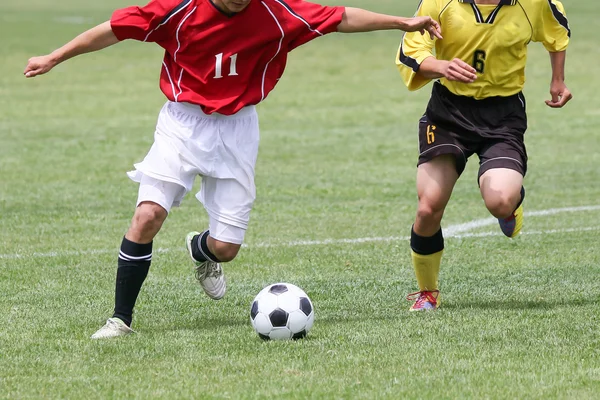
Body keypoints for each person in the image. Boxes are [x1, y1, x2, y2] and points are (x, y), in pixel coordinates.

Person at [25, 0, 442, 338]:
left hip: (238, 129)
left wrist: (401, 22)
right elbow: (113, 29)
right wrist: (55, 56)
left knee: (226, 248)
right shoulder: (177, 10)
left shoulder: (277, 13)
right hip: (181, 124)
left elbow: (340, 17)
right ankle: (120, 319)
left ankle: (200, 250)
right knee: (147, 215)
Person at [396, 0, 572, 311]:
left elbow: (557, 33)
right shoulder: (440, 2)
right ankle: (427, 294)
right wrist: (442, 66)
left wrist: (558, 79)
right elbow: (410, 51)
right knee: (427, 209)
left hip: (502, 116)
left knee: (500, 200)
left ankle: (511, 205)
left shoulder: (534, 4)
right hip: (448, 113)